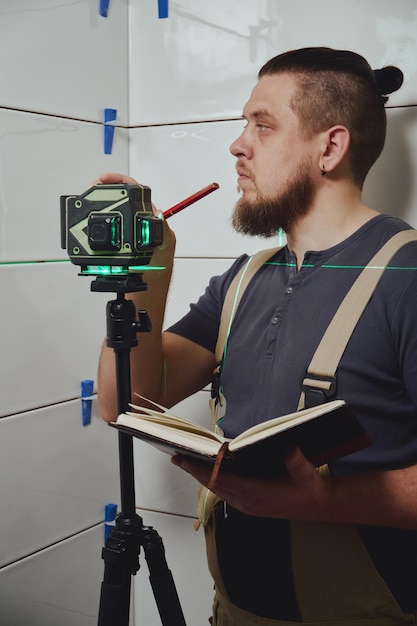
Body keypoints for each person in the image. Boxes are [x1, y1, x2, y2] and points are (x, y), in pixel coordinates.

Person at [97, 47, 417, 625]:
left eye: (262, 126)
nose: (238, 144)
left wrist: (325, 502)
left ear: (331, 147)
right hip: (234, 610)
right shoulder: (241, 281)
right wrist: (142, 273)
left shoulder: (407, 278)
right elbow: (126, 401)